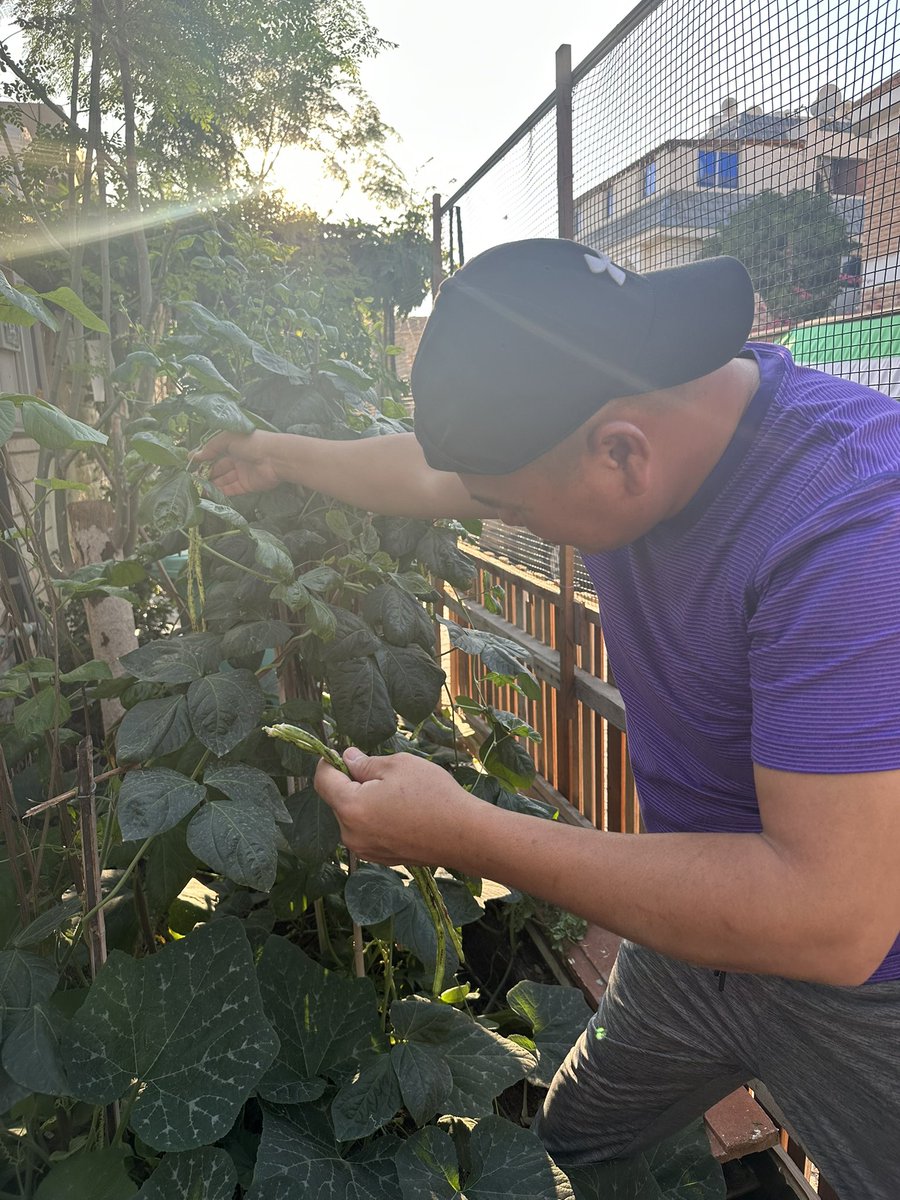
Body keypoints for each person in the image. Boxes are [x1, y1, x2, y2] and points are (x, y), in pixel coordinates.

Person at [195, 238, 900, 1196]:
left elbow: (834, 917)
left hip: (869, 994)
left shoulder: (851, 522)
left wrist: (467, 832)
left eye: (511, 508)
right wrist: (274, 455)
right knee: (576, 1138)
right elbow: (430, 474)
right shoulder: (612, 416)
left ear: (620, 453)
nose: (494, 519)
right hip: (699, 935)